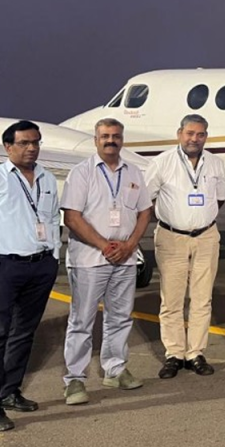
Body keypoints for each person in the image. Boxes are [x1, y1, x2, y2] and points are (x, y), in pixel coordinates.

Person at [0, 120, 61, 431]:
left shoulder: (47, 178)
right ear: (8, 147)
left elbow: (52, 217)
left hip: (41, 266)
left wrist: (54, 254)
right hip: (5, 267)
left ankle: (9, 392)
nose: (31, 148)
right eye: (24, 143)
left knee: (25, 332)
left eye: (36, 142)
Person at [60, 118, 152, 405]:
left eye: (116, 136)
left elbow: (145, 212)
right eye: (105, 136)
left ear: (122, 139)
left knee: (120, 317)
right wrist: (104, 245)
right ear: (96, 140)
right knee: (82, 320)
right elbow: (72, 217)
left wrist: (130, 245)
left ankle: (115, 370)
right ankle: (75, 379)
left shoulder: (133, 172)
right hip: (90, 259)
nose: (111, 140)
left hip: (125, 259)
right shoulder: (81, 172)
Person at [146, 114, 225, 378]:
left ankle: (195, 353)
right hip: (172, 238)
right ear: (179, 134)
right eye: (190, 133)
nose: (195, 139)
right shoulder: (161, 163)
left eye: (200, 134)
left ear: (206, 136)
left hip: (206, 237)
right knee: (171, 299)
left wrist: (200, 219)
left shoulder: (215, 163)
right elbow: (145, 199)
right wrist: (175, 218)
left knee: (202, 299)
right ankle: (174, 354)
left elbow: (220, 199)